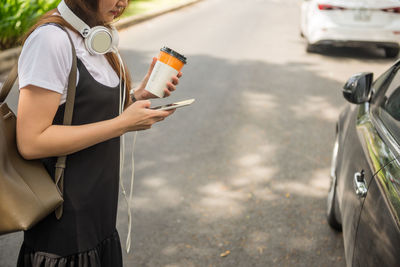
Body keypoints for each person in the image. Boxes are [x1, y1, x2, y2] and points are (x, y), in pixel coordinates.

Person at [15, 0, 181, 266]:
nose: (123, 2)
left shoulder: (97, 36)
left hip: (100, 215)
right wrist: (122, 124)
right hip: (64, 229)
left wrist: (139, 95)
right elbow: (31, 141)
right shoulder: (51, 41)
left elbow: (88, 113)